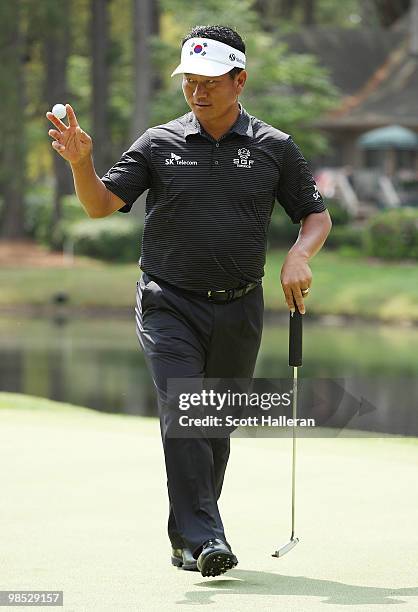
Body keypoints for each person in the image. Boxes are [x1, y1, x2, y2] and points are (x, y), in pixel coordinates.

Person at [46, 24, 332, 578]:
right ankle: (207, 537)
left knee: (214, 427)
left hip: (240, 306)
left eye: (210, 82)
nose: (198, 92)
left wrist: (299, 256)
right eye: (189, 82)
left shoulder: (274, 147)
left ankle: (189, 538)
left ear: (239, 80)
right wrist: (82, 164)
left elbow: (314, 215)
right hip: (168, 301)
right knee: (185, 410)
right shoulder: (158, 143)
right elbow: (102, 205)